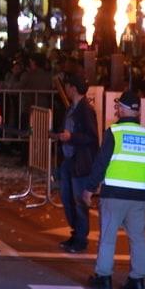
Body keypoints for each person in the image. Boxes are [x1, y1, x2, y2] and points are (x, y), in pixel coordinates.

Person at [83, 89, 145, 289]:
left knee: (108, 236)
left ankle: (103, 276)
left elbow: (101, 162)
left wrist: (89, 187)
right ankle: (137, 280)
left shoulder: (114, 132)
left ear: (121, 109)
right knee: (138, 238)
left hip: (114, 194)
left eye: (118, 106)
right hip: (139, 196)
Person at [57, 77, 99, 253]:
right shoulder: (72, 108)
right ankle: (75, 234)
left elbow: (92, 137)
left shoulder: (85, 110)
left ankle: (81, 239)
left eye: (67, 85)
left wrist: (71, 137)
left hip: (80, 161)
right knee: (67, 199)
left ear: (73, 87)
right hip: (68, 159)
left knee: (79, 201)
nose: (65, 88)